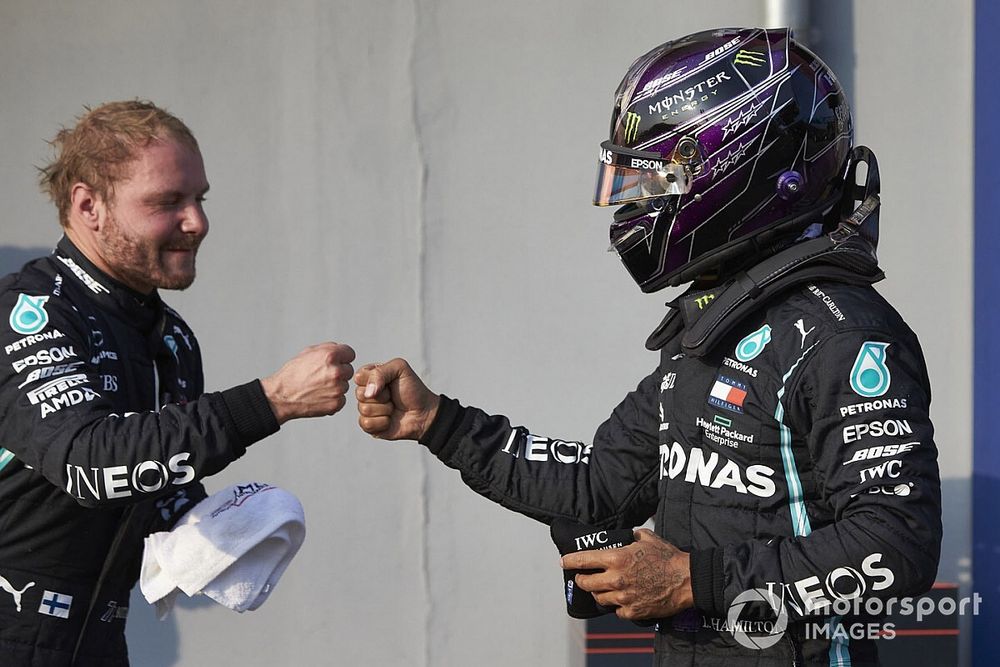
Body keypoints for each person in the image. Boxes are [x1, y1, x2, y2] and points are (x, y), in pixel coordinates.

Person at [355, 27, 942, 666]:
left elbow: (896, 542)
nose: (631, 200)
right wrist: (439, 422)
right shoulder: (714, 325)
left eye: (652, 179)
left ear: (739, 171)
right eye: (627, 181)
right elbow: (598, 486)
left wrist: (692, 580)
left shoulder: (839, 336)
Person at [0, 100, 355, 666]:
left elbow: (152, 492)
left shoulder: (172, 340)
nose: (197, 222)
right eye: (168, 202)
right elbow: (88, 463)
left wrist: (235, 526)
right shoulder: (32, 310)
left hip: (96, 644)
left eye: (200, 199)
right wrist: (271, 401)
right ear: (89, 206)